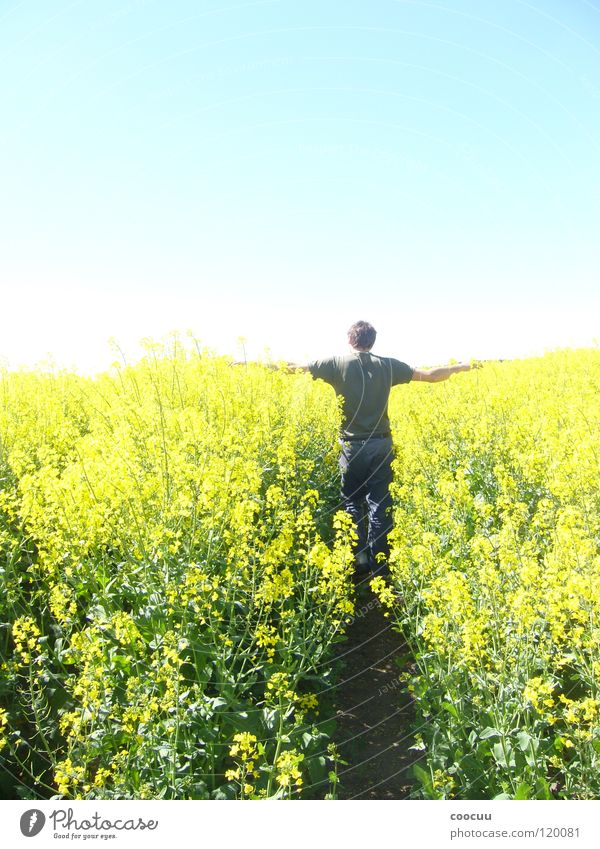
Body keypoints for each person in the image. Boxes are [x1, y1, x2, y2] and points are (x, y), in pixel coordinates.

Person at [282, 320, 478, 579]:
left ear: (350, 340)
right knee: (379, 502)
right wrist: (461, 366)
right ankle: (380, 564)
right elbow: (431, 376)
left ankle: (359, 557)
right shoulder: (388, 365)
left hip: (351, 447)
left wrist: (250, 365)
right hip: (381, 445)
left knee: (351, 499)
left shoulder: (335, 364)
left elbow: (293, 369)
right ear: (372, 342)